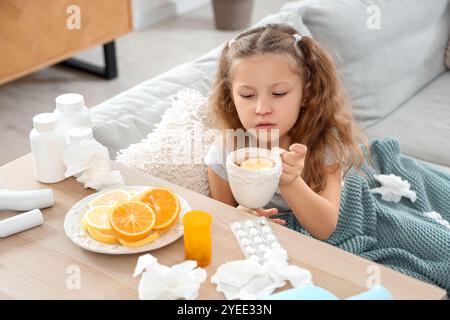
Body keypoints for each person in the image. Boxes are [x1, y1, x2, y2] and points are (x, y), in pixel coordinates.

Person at [205, 23, 369, 240]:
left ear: (306, 94)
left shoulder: (323, 143)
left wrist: (290, 182)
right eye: (247, 95)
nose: (262, 109)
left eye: (279, 93)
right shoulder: (227, 149)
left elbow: (325, 228)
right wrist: (238, 217)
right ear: (231, 96)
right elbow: (221, 218)